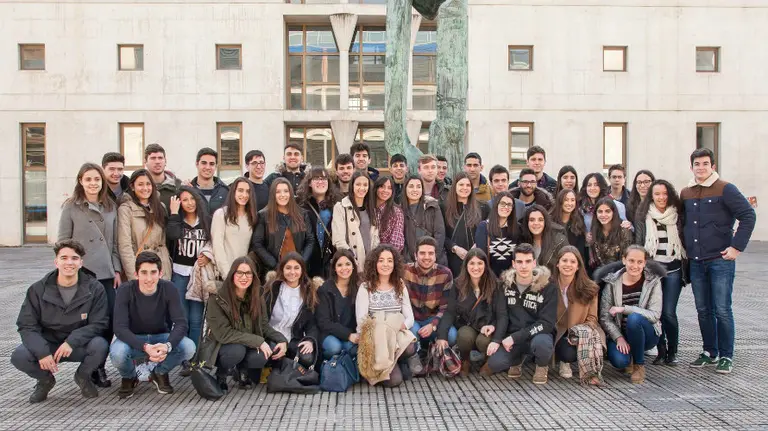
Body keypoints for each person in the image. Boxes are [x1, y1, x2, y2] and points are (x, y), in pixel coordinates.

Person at [681, 148, 755, 374]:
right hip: (696, 261)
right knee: (703, 309)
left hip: (720, 259)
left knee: (722, 309)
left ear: (713, 166)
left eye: (705, 163)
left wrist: (736, 247)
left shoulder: (726, 188)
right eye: (697, 164)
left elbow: (748, 215)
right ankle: (709, 351)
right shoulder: (686, 192)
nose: (701, 168)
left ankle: (726, 355)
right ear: (691, 167)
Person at [12, 240, 109, 403]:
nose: (69, 262)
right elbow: (27, 325)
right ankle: (45, 380)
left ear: (81, 263)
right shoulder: (37, 289)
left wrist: (72, 341)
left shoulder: (95, 288)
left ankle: (83, 377)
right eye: (64, 258)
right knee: (19, 356)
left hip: (77, 345)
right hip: (48, 343)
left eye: (74, 258)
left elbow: (99, 323)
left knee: (100, 346)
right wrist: (41, 352)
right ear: (56, 262)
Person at [58, 163, 120, 388]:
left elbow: (114, 243)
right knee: (85, 322)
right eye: (88, 179)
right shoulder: (71, 207)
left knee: (109, 322)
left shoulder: (110, 206)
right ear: (80, 181)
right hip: (82, 275)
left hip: (106, 273)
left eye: (97, 179)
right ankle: (88, 365)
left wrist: (117, 270)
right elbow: (63, 242)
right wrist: (68, 271)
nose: (93, 183)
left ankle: (99, 366)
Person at [110, 251, 196, 399]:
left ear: (160, 273)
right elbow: (119, 328)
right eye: (144, 273)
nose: (149, 278)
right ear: (136, 274)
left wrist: (167, 346)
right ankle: (130, 376)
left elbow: (181, 323)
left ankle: (160, 372)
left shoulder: (169, 288)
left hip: (161, 337)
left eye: (153, 272)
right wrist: (145, 347)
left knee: (189, 347)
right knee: (117, 353)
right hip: (134, 339)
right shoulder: (125, 290)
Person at [198, 257, 287, 393]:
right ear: (232, 274)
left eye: (248, 273)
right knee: (236, 351)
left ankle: (242, 371)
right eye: (239, 273)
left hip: (248, 342)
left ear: (253, 276)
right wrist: (259, 342)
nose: (243, 277)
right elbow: (224, 334)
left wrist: (281, 340)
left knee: (262, 355)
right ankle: (221, 374)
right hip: (222, 345)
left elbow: (263, 325)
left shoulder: (257, 295)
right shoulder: (217, 298)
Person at [481, 243, 556, 385]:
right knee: (495, 364)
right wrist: (497, 340)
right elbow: (502, 315)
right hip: (513, 337)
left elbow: (547, 323)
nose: (524, 266)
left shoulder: (548, 287)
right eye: (520, 262)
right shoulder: (505, 285)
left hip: (537, 335)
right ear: (513, 264)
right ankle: (517, 359)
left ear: (534, 263)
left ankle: (541, 366)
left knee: (542, 345)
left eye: (528, 261)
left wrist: (515, 337)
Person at [634, 179, 686, 366]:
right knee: (655, 312)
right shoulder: (643, 215)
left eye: (664, 194)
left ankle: (672, 351)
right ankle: (660, 349)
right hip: (652, 271)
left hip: (673, 270)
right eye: (657, 194)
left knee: (669, 312)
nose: (661, 197)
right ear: (651, 196)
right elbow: (639, 242)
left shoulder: (678, 214)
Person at [596, 245, 664, 384]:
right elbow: (605, 316)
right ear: (624, 260)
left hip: (647, 333)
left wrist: (625, 309)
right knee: (620, 361)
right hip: (622, 333)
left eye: (640, 262)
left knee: (634, 318)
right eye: (631, 261)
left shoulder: (653, 282)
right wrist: (618, 337)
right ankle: (629, 358)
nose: (635, 265)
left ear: (645, 263)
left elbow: (655, 315)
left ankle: (639, 365)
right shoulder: (612, 282)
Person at [435, 248, 506, 376]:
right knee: (464, 335)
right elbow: (450, 312)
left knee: (483, 341)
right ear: (466, 265)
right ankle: (465, 359)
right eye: (472, 263)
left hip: (489, 326)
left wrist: (496, 338)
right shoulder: (458, 284)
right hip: (469, 324)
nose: (476, 267)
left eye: (480, 263)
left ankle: (488, 359)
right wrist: (442, 336)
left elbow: (502, 315)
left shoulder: (496, 285)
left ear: (485, 264)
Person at [356, 245, 420, 385]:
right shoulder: (365, 287)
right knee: (395, 381)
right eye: (381, 260)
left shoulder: (400, 284)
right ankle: (384, 367)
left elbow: (409, 316)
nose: (386, 264)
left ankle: (398, 361)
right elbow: (361, 320)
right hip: (376, 337)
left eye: (390, 260)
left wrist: (401, 326)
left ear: (394, 264)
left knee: (410, 346)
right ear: (375, 263)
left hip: (395, 332)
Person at [166, 186, 211, 352]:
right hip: (179, 274)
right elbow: (171, 235)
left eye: (192, 199)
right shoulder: (177, 220)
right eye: (185, 200)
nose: (190, 203)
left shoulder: (206, 220)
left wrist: (208, 255)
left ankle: (194, 355)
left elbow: (212, 243)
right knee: (182, 318)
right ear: (179, 202)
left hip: (198, 275)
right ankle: (184, 354)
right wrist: (173, 213)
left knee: (196, 319)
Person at [551, 246, 602, 385]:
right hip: (557, 331)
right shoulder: (549, 286)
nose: (568, 264)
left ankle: (587, 370)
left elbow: (592, 318)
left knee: (571, 351)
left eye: (573, 262)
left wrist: (579, 334)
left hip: (579, 331)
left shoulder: (590, 288)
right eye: (564, 260)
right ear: (557, 263)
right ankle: (563, 361)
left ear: (578, 266)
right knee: (563, 351)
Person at [263, 253, 321, 368]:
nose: (292, 272)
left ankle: (284, 365)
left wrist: (310, 340)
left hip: (293, 337)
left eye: (296, 268)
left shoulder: (309, 291)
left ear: (302, 270)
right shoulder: (272, 288)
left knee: (307, 358)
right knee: (275, 352)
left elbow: (311, 323)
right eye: (288, 268)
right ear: (282, 269)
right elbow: (261, 319)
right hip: (271, 335)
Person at [117, 169, 172, 281]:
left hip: (161, 267)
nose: (145, 188)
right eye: (140, 184)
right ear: (132, 187)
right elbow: (125, 246)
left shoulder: (160, 207)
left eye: (148, 184)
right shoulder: (126, 209)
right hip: (140, 267)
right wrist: (134, 276)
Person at [251, 178, 314, 274]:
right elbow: (257, 243)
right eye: (278, 192)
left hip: (299, 270)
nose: (282, 195)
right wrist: (275, 265)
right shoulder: (264, 215)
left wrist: (301, 262)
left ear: (291, 193)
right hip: (274, 270)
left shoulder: (302, 214)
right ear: (273, 195)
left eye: (286, 191)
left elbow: (310, 240)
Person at [404, 237, 455, 348]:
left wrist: (433, 325)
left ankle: (435, 352)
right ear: (415, 255)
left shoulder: (445, 274)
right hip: (413, 319)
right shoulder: (405, 271)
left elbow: (445, 307)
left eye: (430, 253)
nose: (427, 257)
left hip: (434, 318)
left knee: (452, 336)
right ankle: (415, 355)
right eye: (422, 253)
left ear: (435, 255)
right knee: (411, 336)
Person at [443, 173, 490, 276]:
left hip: (478, 258)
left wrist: (479, 243)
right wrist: (454, 248)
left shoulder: (483, 207)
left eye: (468, 185)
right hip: (454, 259)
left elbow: (489, 231)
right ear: (455, 186)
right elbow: (441, 235)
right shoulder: (444, 207)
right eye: (461, 185)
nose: (465, 188)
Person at [316, 250, 361, 359]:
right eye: (339, 265)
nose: (344, 268)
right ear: (334, 268)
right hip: (329, 333)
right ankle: (323, 365)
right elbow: (323, 322)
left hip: (351, 333)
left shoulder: (359, 287)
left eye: (348, 264)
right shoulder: (325, 289)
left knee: (354, 349)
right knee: (335, 347)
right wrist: (348, 335)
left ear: (353, 266)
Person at [332, 171, 380, 271]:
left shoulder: (372, 208)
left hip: (370, 264)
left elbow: (375, 238)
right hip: (351, 263)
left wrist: (374, 258)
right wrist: (351, 258)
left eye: (365, 185)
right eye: (358, 184)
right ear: (352, 185)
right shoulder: (341, 207)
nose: (362, 188)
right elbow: (338, 239)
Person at [211, 177, 258, 278]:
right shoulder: (221, 214)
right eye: (240, 190)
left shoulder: (251, 217)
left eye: (247, 192)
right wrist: (227, 274)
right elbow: (217, 247)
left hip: (244, 274)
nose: (244, 195)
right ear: (233, 192)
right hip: (225, 273)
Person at [298, 167, 340, 279]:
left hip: (330, 260)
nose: (321, 181)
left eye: (324, 178)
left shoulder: (336, 205)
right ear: (310, 183)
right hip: (308, 260)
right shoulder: (301, 206)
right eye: (316, 178)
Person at [402, 175, 447, 265]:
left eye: (418, 186)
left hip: (434, 262)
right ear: (405, 189)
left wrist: (432, 257)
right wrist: (409, 261)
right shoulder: (400, 211)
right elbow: (402, 241)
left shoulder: (432, 206)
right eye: (411, 186)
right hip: (410, 264)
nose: (415, 190)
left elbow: (440, 234)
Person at [474, 191, 520, 276]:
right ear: (496, 205)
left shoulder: (518, 228)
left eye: (509, 205)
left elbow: (520, 256)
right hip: (490, 278)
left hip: (511, 278)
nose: (506, 207)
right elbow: (481, 256)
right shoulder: (484, 227)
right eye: (503, 203)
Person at [520, 204, 567, 272]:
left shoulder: (559, 240)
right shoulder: (521, 241)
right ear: (527, 223)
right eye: (532, 220)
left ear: (545, 222)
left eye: (540, 220)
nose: (536, 223)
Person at [589, 198, 633, 271]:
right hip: (600, 274)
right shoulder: (594, 231)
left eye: (607, 211)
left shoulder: (624, 230)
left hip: (620, 273)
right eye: (600, 212)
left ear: (613, 212)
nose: (603, 215)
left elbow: (626, 258)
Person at [551, 189, 588, 264]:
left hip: (571, 263)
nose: (569, 203)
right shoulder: (550, 220)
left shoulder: (579, 221)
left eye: (572, 200)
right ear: (560, 201)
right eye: (566, 200)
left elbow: (580, 250)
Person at [191, 147, 229, 215]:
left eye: (211, 164)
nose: (208, 167)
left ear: (216, 166)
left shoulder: (225, 191)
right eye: (204, 163)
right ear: (197, 164)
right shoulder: (189, 189)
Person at [143, 143, 181, 209]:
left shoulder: (178, 185)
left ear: (165, 161)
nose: (157, 161)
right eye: (153, 158)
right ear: (145, 162)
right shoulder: (139, 187)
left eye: (160, 158)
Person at [372, 176, 405, 252]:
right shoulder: (368, 208)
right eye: (382, 187)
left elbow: (397, 242)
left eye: (389, 188)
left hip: (386, 257)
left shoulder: (396, 212)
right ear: (376, 188)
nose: (386, 190)